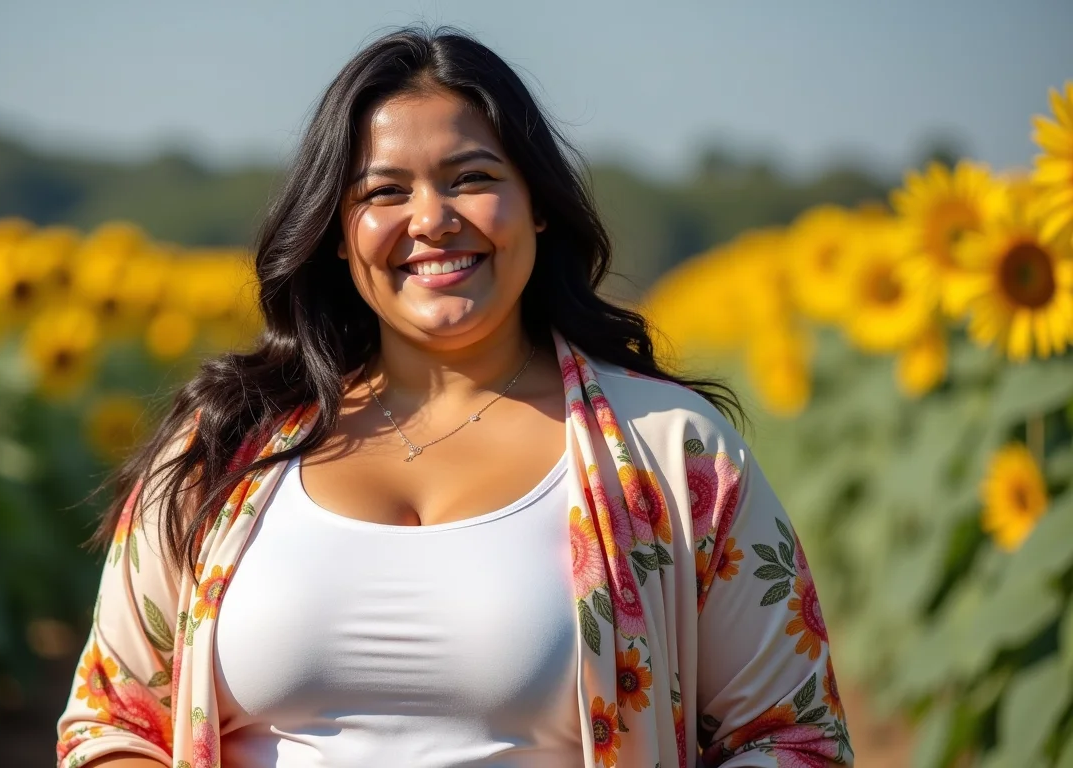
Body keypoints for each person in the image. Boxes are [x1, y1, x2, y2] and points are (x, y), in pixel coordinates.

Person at [56, 24, 853, 768]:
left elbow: (794, 737)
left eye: (472, 180)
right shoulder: (223, 446)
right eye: (384, 192)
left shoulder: (675, 453)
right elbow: (108, 720)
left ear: (537, 206)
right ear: (337, 231)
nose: (432, 220)